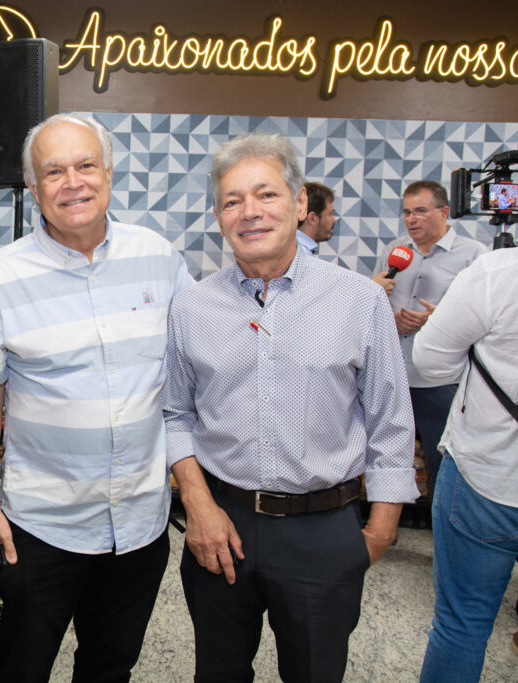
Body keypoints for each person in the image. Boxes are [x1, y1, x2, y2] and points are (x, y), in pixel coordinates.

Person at [163, 132, 418, 682]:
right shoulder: (191, 307)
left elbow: (391, 421)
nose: (249, 212)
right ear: (218, 215)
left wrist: (378, 531)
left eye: (267, 195)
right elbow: (175, 414)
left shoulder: (360, 300)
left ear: (300, 203)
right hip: (219, 524)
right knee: (218, 672)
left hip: (323, 527)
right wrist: (199, 507)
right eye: (232, 201)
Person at [0, 113, 195, 682]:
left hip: (140, 525)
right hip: (41, 527)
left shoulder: (160, 259)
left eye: (86, 165)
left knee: (110, 666)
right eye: (53, 171)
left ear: (109, 173)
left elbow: (197, 371)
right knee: (21, 668)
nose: (73, 182)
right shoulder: (1, 277)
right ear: (35, 187)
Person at [413, 247, 518, 682]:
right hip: (486, 479)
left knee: (463, 624)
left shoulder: (499, 270)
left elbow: (430, 359)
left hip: (486, 477)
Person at [372, 180, 487, 497]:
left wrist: (436, 320)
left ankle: (443, 536)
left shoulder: (474, 255)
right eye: (407, 212)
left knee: (444, 460)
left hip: (441, 380)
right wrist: (387, 315)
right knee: (386, 457)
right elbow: (373, 306)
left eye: (420, 211)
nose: (411, 219)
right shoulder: (394, 251)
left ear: (444, 212)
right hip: (393, 375)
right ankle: (384, 530)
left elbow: (483, 319)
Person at [295, 181, 336, 254]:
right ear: (312, 218)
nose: (334, 220)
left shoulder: (290, 249)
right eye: (330, 214)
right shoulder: (302, 255)